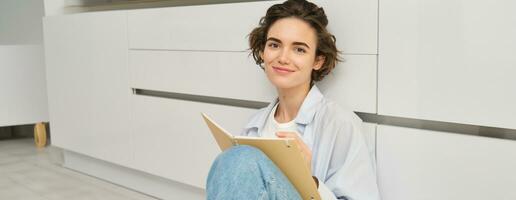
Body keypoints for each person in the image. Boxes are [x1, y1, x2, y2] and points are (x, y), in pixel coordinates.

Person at [206, 0, 380, 199]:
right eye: (274, 45)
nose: (283, 57)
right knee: (231, 159)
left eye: (299, 49)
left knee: (240, 158)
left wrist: (309, 180)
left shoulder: (340, 124)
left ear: (317, 60)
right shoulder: (253, 127)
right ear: (263, 51)